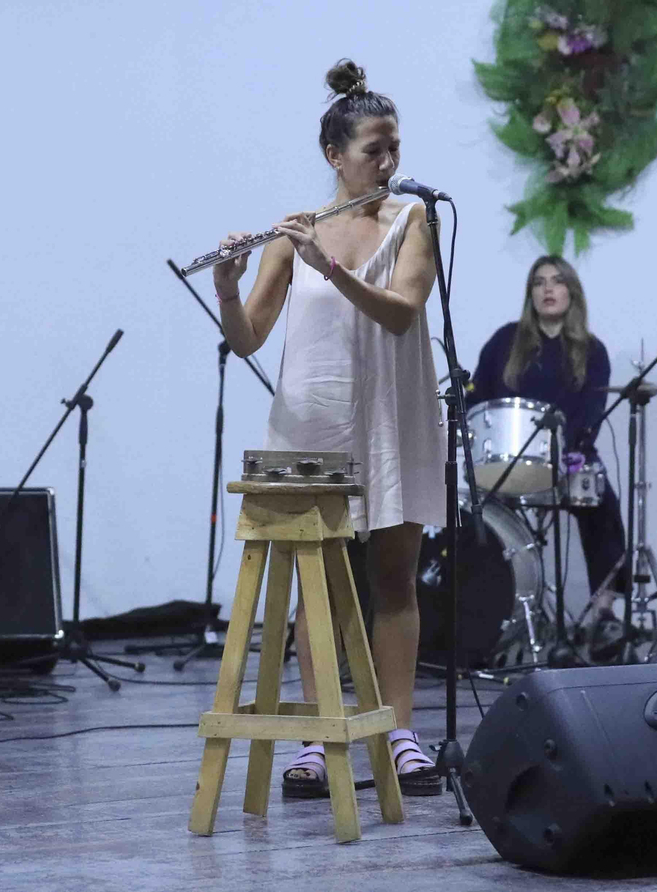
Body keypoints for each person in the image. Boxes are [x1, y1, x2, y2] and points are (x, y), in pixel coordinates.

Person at [215, 60, 444, 798]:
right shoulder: (294, 232)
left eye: (395, 147)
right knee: (315, 586)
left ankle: (399, 729)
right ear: (334, 156)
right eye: (375, 149)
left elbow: (402, 312)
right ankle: (316, 735)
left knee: (392, 578)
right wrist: (226, 282)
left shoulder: (414, 220)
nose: (389, 162)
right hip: (309, 427)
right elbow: (249, 336)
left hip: (391, 415)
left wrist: (335, 271)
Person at [471, 255, 632, 662]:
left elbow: (591, 415)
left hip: (570, 459)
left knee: (603, 504)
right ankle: (490, 618)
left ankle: (603, 613)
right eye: (538, 282)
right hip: (507, 461)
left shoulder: (591, 351)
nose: (547, 289)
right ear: (530, 294)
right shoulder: (504, 341)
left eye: (557, 281)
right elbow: (477, 400)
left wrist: (569, 451)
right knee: (473, 518)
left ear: (571, 292)